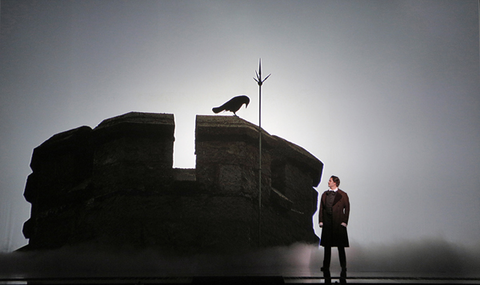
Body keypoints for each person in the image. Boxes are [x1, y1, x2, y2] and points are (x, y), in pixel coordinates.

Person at [319, 175, 350, 281]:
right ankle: (326, 266)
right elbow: (321, 208)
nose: (328, 182)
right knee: (327, 247)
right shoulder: (325, 194)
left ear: (335, 183)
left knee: (340, 247)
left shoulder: (343, 195)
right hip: (328, 223)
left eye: (330, 181)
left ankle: (343, 266)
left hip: (338, 223)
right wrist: (321, 220)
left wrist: (344, 222)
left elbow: (347, 209)